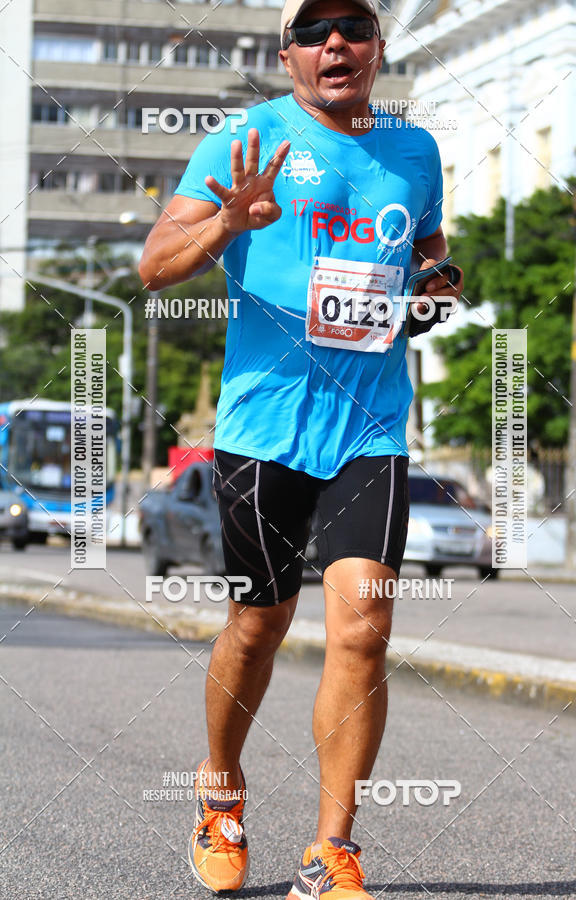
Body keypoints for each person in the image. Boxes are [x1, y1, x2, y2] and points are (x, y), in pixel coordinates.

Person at [139, 0, 463, 894]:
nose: (336, 45)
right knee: (258, 623)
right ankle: (219, 797)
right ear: (287, 55)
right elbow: (154, 266)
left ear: (377, 50)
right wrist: (227, 226)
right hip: (263, 427)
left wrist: (437, 284)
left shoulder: (414, 149)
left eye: (353, 28)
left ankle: (333, 852)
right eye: (315, 31)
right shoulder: (242, 140)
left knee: (364, 627)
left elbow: (426, 249)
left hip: (371, 426)